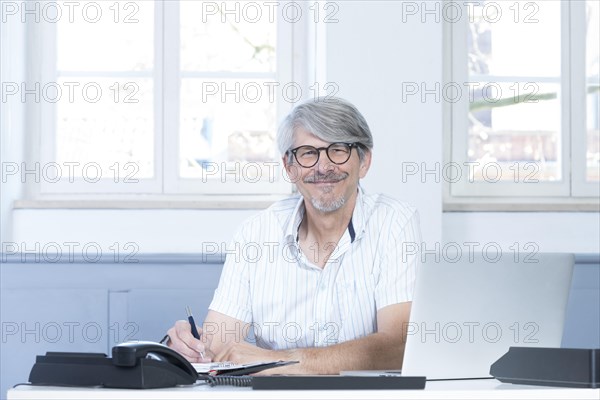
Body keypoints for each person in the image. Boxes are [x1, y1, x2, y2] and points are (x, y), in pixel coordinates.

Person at [166, 97, 421, 374]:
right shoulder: (256, 233)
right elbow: (217, 347)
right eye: (308, 153)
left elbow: (399, 346)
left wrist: (280, 360)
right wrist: (187, 347)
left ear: (364, 162)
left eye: (338, 150)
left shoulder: (395, 223)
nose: (323, 167)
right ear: (290, 167)